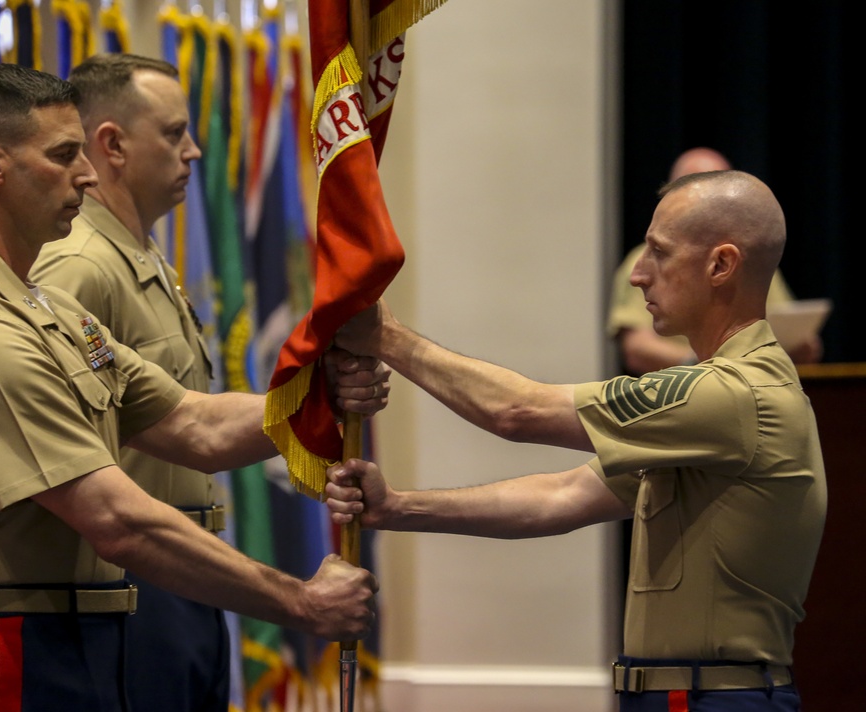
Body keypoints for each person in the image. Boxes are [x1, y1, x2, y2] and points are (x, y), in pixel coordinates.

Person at [0, 62, 383, 712]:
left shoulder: (46, 309)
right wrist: (298, 601)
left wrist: (321, 400)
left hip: (83, 635)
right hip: (16, 648)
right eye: (64, 156)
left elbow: (190, 425)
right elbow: (113, 519)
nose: (87, 176)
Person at [326, 170, 826, 710]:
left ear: (721, 265)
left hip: (717, 699)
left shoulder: (732, 395)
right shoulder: (722, 404)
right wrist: (398, 507)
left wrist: (385, 337)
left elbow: (517, 411)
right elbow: (558, 498)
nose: (638, 275)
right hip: (687, 694)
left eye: (658, 253)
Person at [28, 53, 236, 711]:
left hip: (183, 575)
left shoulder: (140, 256)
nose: (194, 151)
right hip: (125, 587)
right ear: (112, 146)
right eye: (174, 134)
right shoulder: (77, 268)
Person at [609, 147, 820, 375]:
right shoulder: (639, 262)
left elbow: (796, 335)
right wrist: (706, 370)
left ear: (722, 264)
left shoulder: (750, 261)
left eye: (719, 185)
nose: (637, 277)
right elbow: (637, 349)